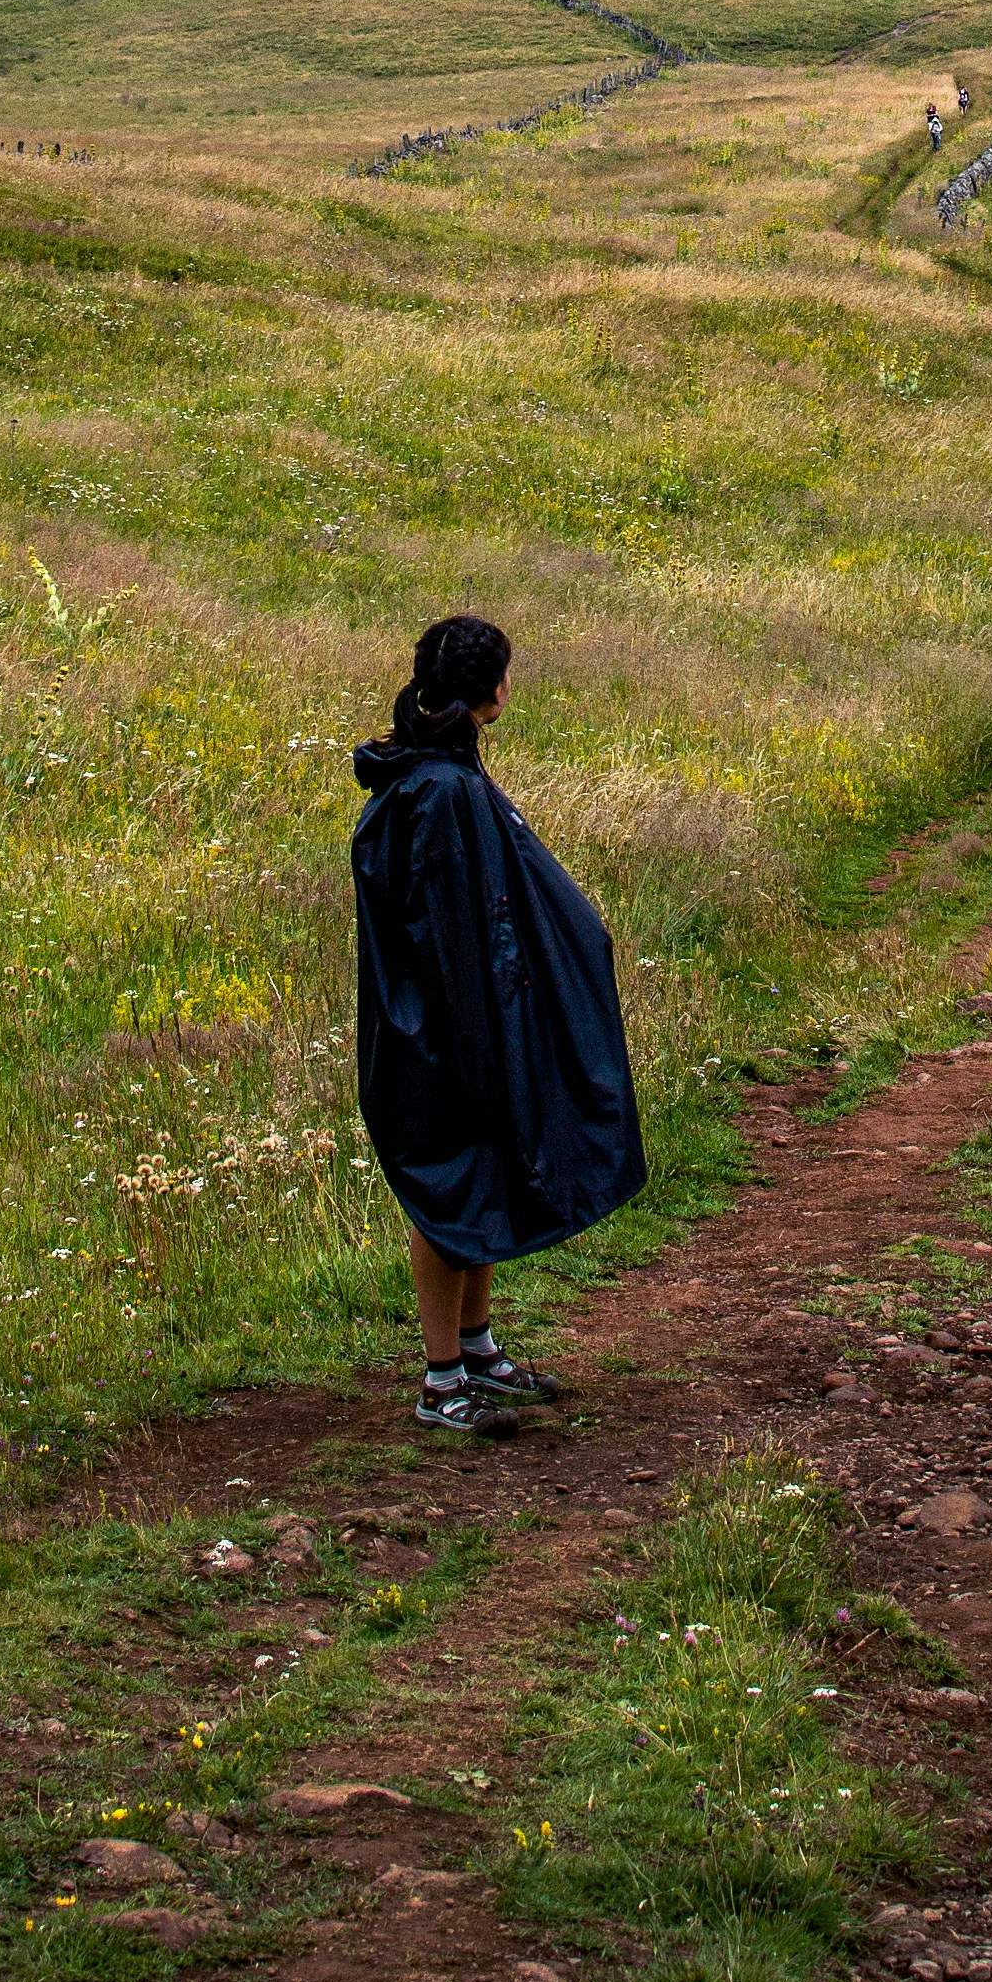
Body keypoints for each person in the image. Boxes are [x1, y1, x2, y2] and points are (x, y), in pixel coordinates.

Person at [349, 613, 647, 1438]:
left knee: (482, 1173)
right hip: (444, 1033)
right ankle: (440, 1379)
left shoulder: (440, 771)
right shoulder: (439, 791)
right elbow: (447, 934)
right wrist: (485, 1033)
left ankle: (475, 1348)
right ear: (493, 688)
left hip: (466, 1022)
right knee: (449, 1185)